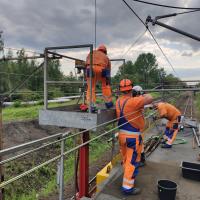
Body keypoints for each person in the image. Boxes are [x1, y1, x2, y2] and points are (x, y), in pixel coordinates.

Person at [116, 79, 153, 195]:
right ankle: (127, 188)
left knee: (127, 160)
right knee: (131, 163)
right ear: (131, 89)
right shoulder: (133, 102)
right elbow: (150, 98)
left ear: (120, 90)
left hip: (122, 136)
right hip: (132, 138)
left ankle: (129, 179)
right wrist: (141, 93)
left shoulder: (118, 101)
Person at [82, 44, 113, 111]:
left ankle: (91, 105)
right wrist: (108, 80)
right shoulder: (106, 57)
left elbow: (85, 64)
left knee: (91, 87)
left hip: (89, 68)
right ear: (105, 51)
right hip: (101, 69)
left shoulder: (91, 52)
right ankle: (108, 103)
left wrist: (85, 75)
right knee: (105, 86)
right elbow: (108, 70)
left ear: (99, 49)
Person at [132, 85, 145, 167]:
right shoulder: (140, 99)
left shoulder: (139, 100)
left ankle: (141, 159)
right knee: (139, 142)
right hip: (137, 123)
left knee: (138, 143)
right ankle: (140, 158)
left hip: (137, 124)